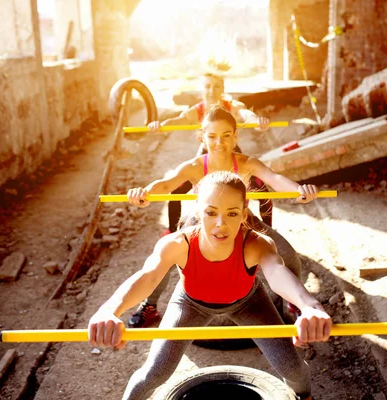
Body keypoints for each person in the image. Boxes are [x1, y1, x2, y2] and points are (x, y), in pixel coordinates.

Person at [89, 171, 332, 400]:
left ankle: (304, 397)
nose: (221, 225)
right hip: (190, 304)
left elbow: (277, 272)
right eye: (211, 212)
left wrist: (309, 307)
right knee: (154, 374)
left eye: (232, 213)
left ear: (245, 211)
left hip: (249, 302)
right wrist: (109, 311)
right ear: (197, 208)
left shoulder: (257, 243)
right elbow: (148, 277)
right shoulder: (177, 244)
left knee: (295, 371)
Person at [125, 106, 318, 328]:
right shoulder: (196, 166)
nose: (219, 143)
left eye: (226, 136)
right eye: (212, 136)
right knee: (166, 257)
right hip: (201, 221)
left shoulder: (246, 163)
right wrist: (145, 193)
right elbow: (167, 184)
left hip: (240, 218)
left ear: (235, 137)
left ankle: (295, 303)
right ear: (202, 138)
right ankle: (149, 305)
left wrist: (299, 190)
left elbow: (274, 178)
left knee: (288, 255)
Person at [148, 72, 274, 232]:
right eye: (207, 86)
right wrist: (162, 125)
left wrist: (257, 121)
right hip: (207, 153)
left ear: (223, 88)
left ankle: (267, 230)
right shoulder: (198, 109)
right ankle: (172, 230)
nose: (211, 91)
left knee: (263, 191)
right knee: (176, 190)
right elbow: (179, 120)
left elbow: (245, 114)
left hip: (231, 152)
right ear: (201, 89)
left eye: (217, 86)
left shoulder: (231, 105)